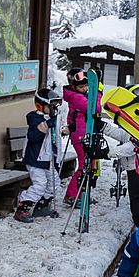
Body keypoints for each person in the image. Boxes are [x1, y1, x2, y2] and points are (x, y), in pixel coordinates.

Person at [104, 85, 139, 226]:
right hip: (134, 168)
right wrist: (103, 127)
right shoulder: (133, 119)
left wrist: (107, 152)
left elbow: (134, 145)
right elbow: (126, 136)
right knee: (136, 203)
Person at [15, 88, 62, 222]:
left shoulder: (51, 118)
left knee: (54, 183)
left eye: (54, 107)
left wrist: (67, 130)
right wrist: (46, 125)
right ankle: (22, 209)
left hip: (48, 158)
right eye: (50, 107)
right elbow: (33, 137)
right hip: (35, 158)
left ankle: (41, 207)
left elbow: (55, 135)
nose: (53, 110)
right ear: (40, 106)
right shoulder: (34, 118)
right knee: (40, 184)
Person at [62, 69, 95, 206]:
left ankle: (80, 194)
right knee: (84, 166)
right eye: (81, 87)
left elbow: (72, 116)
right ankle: (71, 195)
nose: (85, 89)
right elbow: (93, 108)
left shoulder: (79, 95)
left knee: (89, 165)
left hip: (84, 133)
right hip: (81, 136)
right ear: (73, 86)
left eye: (86, 86)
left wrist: (70, 125)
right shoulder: (76, 97)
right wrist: (97, 94)